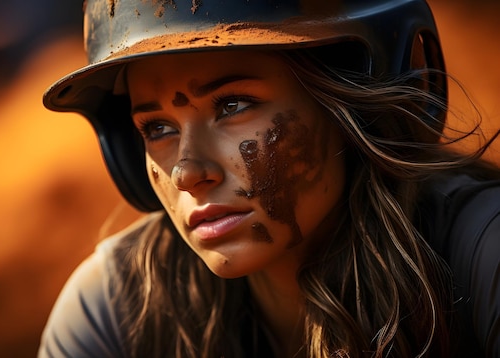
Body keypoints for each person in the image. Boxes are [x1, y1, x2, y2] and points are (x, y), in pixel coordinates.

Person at [38, 0, 500, 357]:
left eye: (232, 105)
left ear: (352, 102)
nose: (185, 172)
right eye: (157, 129)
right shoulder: (117, 309)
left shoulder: (481, 250)